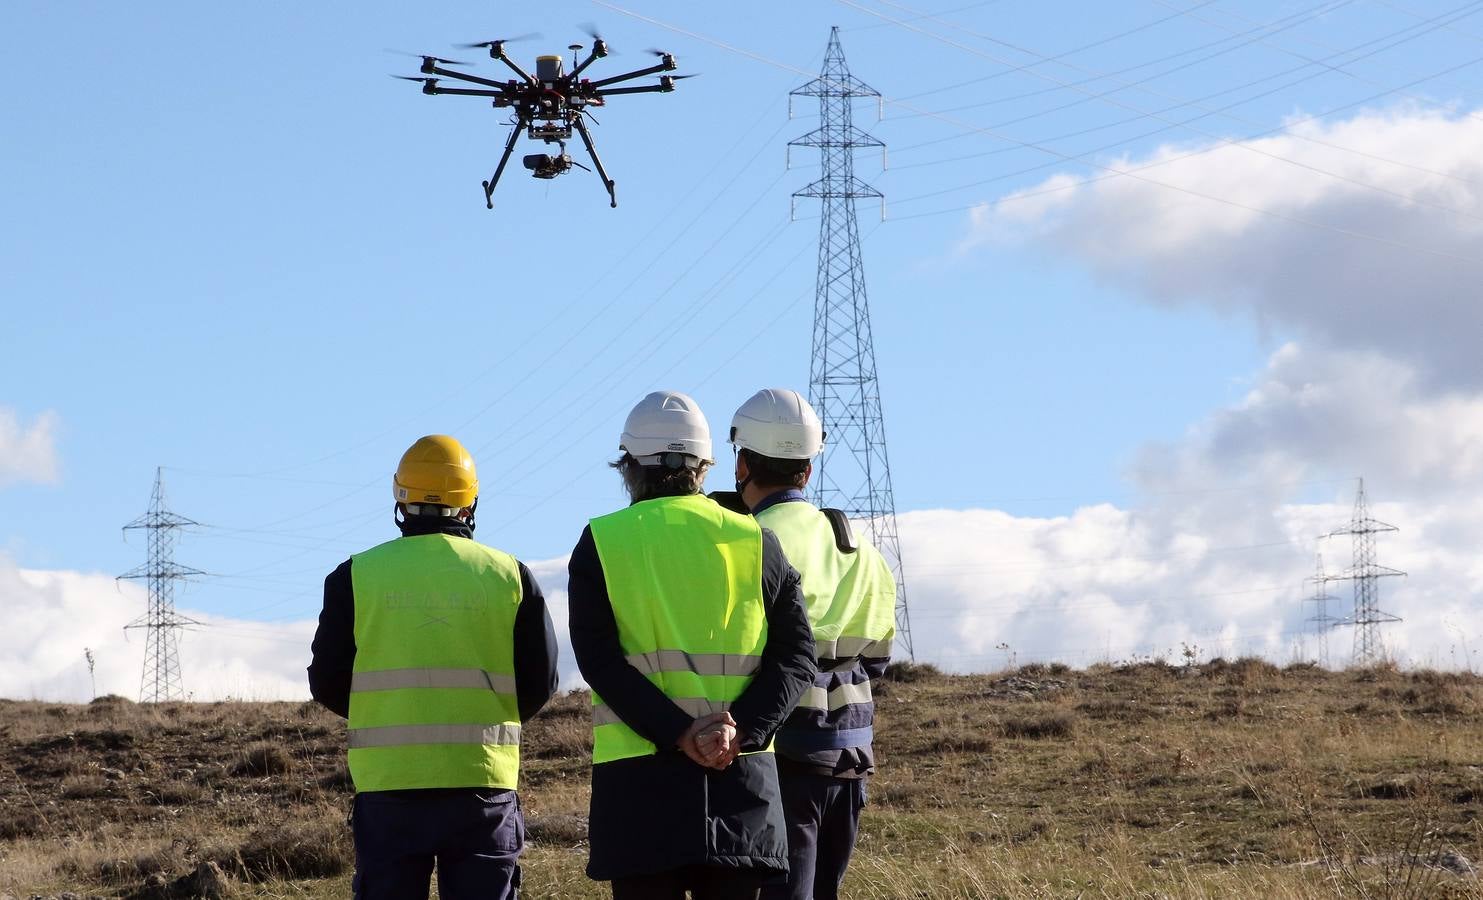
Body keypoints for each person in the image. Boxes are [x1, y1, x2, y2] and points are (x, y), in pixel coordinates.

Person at [568, 390, 818, 899]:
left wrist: (678, 732)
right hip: (741, 784)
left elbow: (599, 661)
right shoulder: (756, 540)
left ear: (630, 466)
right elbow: (797, 659)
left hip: (639, 792)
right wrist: (738, 730)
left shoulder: (602, 541)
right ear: (704, 467)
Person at [308, 434, 558, 900]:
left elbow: (325, 681)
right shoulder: (510, 575)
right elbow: (541, 681)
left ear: (400, 498)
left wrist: (385, 714)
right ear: (470, 501)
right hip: (483, 784)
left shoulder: (355, 576)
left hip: (389, 788)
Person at [728, 389, 896, 900]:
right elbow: (878, 659)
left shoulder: (745, 543)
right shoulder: (860, 549)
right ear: (807, 470)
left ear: (741, 465)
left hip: (779, 758)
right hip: (848, 755)